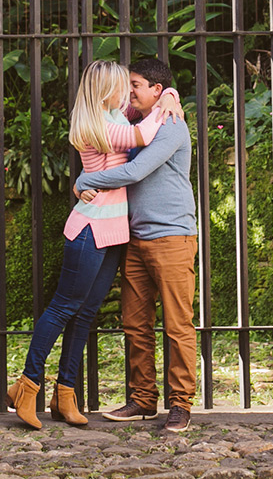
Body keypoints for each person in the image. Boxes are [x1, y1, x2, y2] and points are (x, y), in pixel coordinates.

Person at [5, 60, 180, 430]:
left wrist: (170, 93)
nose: (128, 92)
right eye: (123, 85)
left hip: (114, 232)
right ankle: (27, 384)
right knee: (63, 308)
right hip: (90, 228)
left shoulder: (116, 115)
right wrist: (167, 102)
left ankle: (65, 394)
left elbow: (147, 103)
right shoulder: (103, 124)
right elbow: (142, 135)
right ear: (107, 91)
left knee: (85, 314)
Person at [74, 57, 198, 433]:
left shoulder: (172, 125)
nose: (129, 92)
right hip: (136, 237)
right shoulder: (135, 119)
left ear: (156, 91)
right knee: (135, 324)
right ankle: (143, 399)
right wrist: (172, 93)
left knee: (178, 325)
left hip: (172, 236)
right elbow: (103, 105)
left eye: (137, 85)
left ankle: (180, 405)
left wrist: (85, 177)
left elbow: (135, 171)